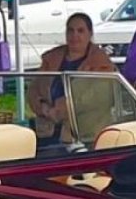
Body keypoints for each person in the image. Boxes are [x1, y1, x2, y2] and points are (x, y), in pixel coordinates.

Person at [27, 13, 116, 146]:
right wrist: (43, 108)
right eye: (70, 30)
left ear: (90, 34)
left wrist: (61, 109)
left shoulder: (102, 63)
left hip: (84, 137)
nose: (75, 35)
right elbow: (33, 90)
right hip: (47, 133)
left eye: (80, 31)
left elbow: (98, 97)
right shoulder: (51, 58)